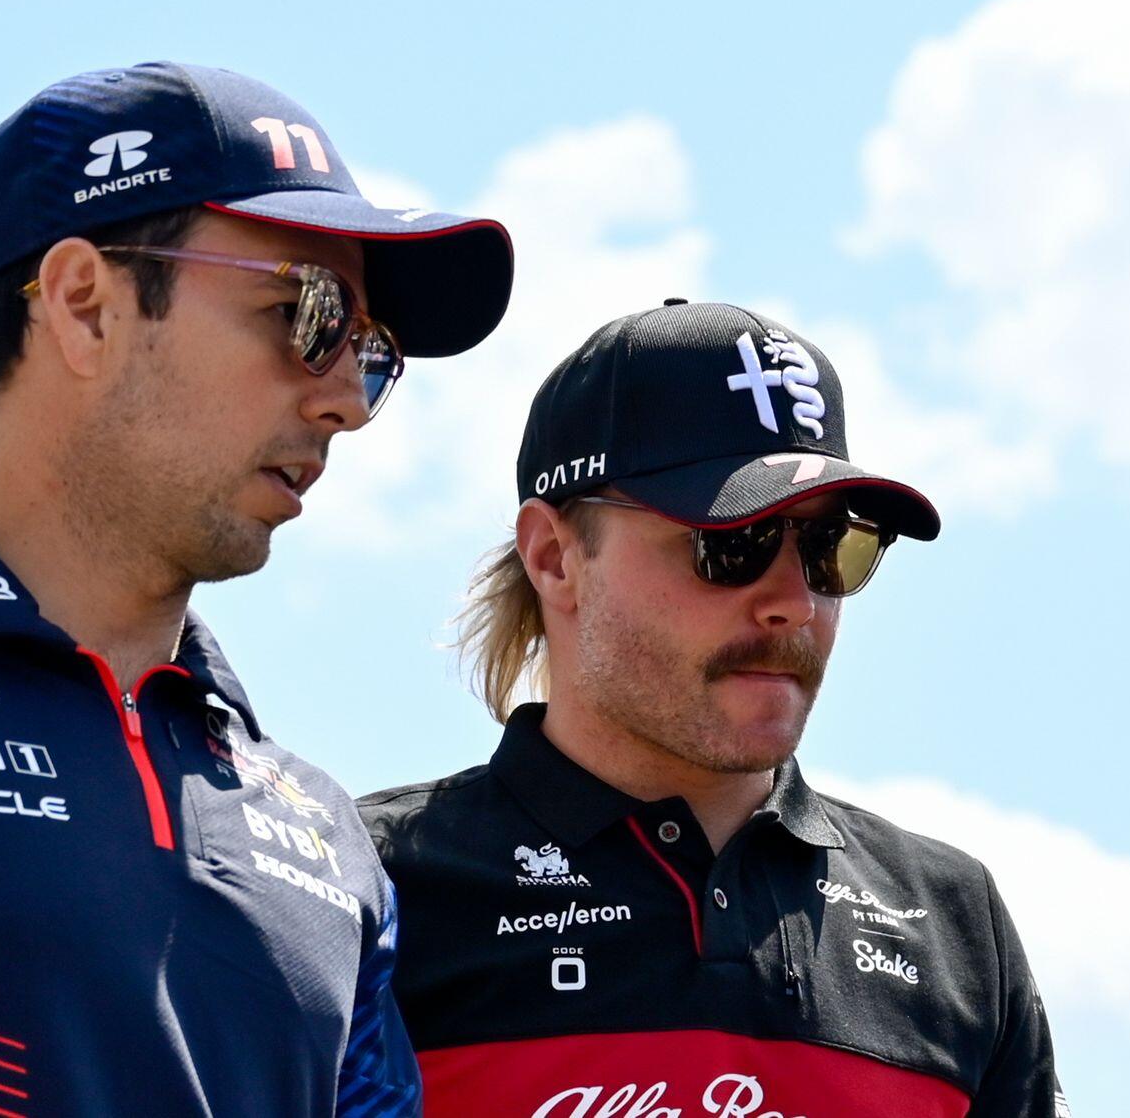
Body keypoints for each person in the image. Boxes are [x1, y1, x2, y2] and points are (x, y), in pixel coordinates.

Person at [0, 61, 514, 1114]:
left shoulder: (323, 829)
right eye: (308, 314)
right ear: (84, 306)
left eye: (371, 352)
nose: (346, 401)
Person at [358, 299, 1070, 1117]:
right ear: (554, 558)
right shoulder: (366, 886)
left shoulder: (954, 920)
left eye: (831, 548)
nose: (794, 602)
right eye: (731, 543)